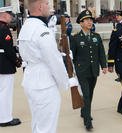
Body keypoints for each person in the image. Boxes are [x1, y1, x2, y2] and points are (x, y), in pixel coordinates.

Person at [18, 0, 78, 133]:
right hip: (44, 84)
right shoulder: (41, 30)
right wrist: (66, 82)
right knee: (47, 128)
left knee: (38, 123)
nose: (50, 7)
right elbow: (53, 60)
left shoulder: (27, 26)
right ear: (40, 7)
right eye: (47, 4)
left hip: (31, 79)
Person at [70, 10, 107, 131]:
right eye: (86, 20)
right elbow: (72, 56)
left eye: (91, 20)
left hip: (94, 70)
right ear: (81, 23)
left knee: (90, 94)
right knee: (86, 94)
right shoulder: (75, 38)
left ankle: (84, 110)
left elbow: (101, 52)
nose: (90, 22)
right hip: (82, 71)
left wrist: (104, 65)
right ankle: (87, 121)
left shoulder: (96, 37)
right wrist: (72, 71)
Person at [0, 6, 22, 127]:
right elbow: (8, 50)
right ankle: (4, 119)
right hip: (4, 65)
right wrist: (17, 61)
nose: (11, 17)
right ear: (3, 14)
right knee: (5, 93)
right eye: (9, 14)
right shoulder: (4, 29)